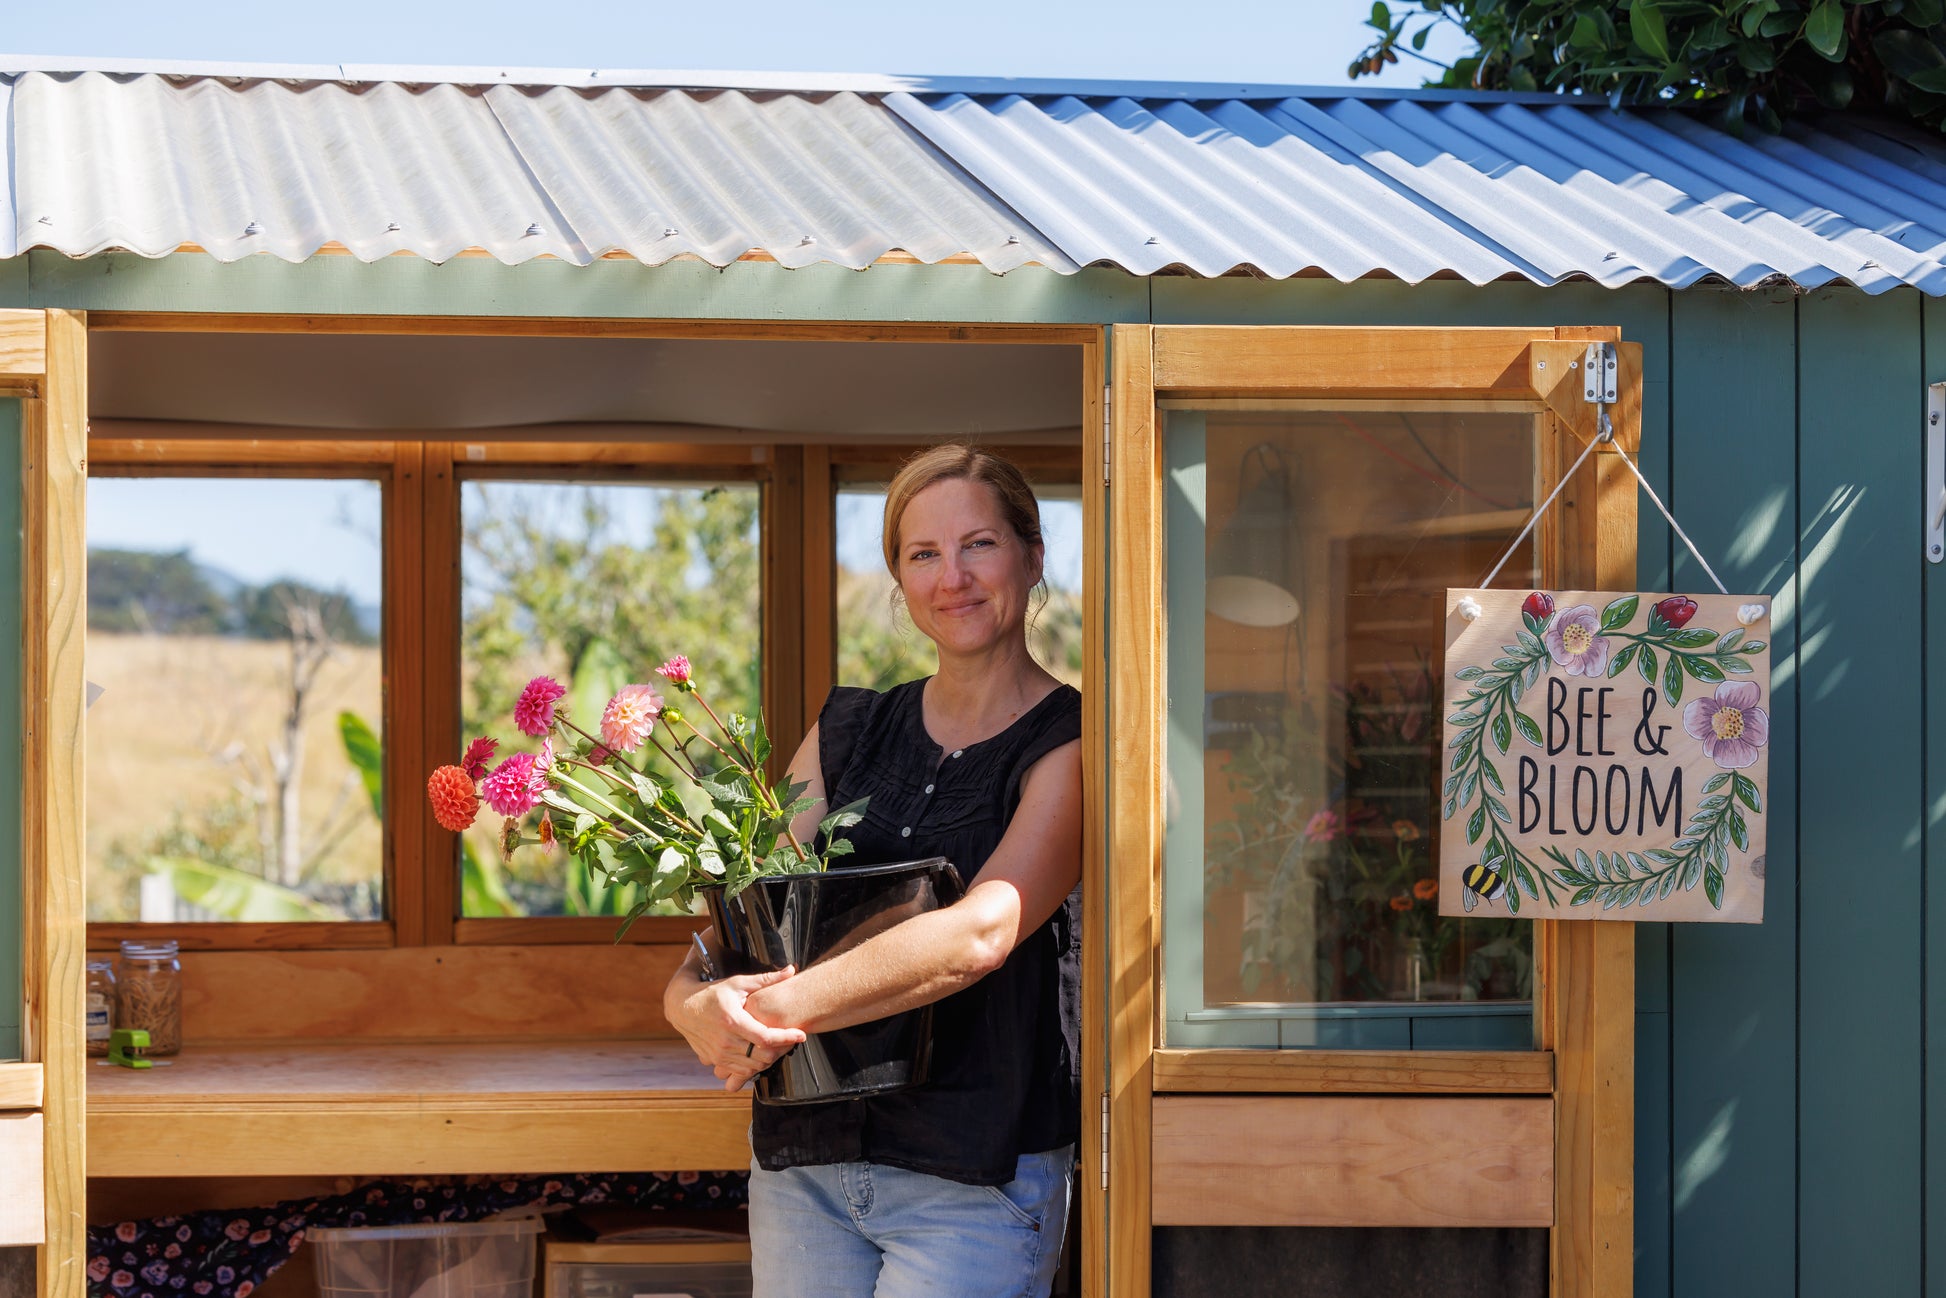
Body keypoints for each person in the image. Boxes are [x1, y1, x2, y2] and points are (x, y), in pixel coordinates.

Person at [662, 444, 1084, 1298]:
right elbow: (758, 907)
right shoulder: (848, 729)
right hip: (807, 1167)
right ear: (899, 577)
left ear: (1033, 555)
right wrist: (687, 1001)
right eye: (924, 554)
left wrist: (768, 1015)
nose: (952, 577)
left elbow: (983, 930)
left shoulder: (1072, 740)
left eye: (979, 544)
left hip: (974, 1178)